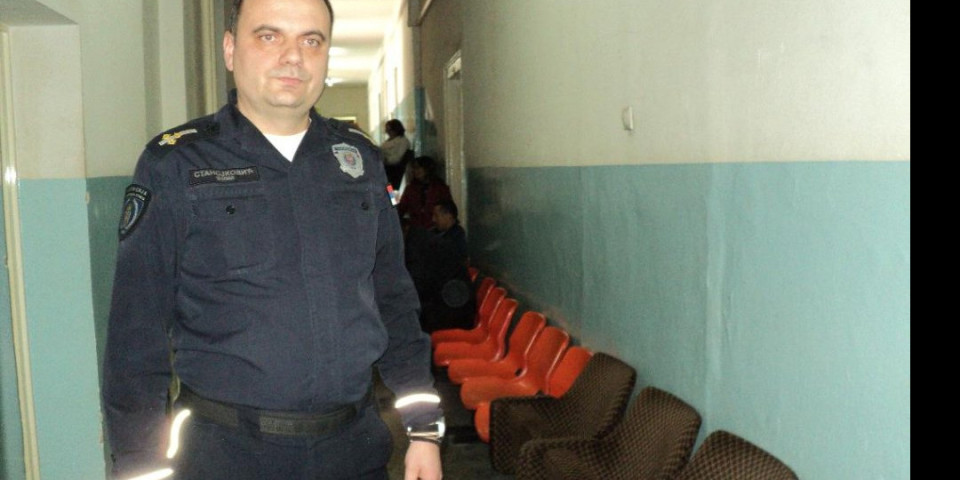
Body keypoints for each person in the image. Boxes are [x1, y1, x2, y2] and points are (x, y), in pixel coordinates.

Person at [100, 1, 444, 479]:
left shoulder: (358, 161)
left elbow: (393, 301)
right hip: (227, 456)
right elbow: (136, 335)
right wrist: (140, 468)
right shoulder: (176, 164)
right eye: (269, 36)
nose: (293, 56)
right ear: (229, 49)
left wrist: (423, 429)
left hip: (354, 451)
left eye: (311, 40)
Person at [397, 156, 453, 230]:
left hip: (435, 229)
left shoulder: (440, 188)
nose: (415, 171)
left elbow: (448, 209)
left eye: (418, 168)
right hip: (416, 229)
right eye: (414, 168)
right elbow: (401, 209)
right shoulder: (410, 189)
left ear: (427, 169)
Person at [380, 119, 412, 190]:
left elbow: (397, 158)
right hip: (384, 168)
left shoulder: (403, 141)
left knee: (389, 187)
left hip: (393, 170)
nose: (387, 132)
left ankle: (391, 196)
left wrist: (385, 160)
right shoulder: (386, 142)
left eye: (389, 130)